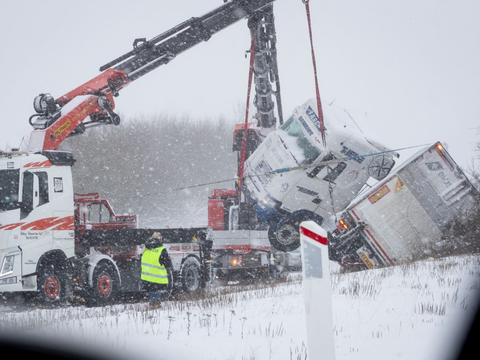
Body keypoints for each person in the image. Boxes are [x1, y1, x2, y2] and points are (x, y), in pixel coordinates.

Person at [141, 232, 172, 302]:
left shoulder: (145, 247)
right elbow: (168, 264)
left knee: (151, 291)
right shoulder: (161, 250)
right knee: (156, 292)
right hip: (157, 278)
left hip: (146, 277)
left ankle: (152, 303)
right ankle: (154, 305)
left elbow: (141, 257)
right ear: (160, 239)